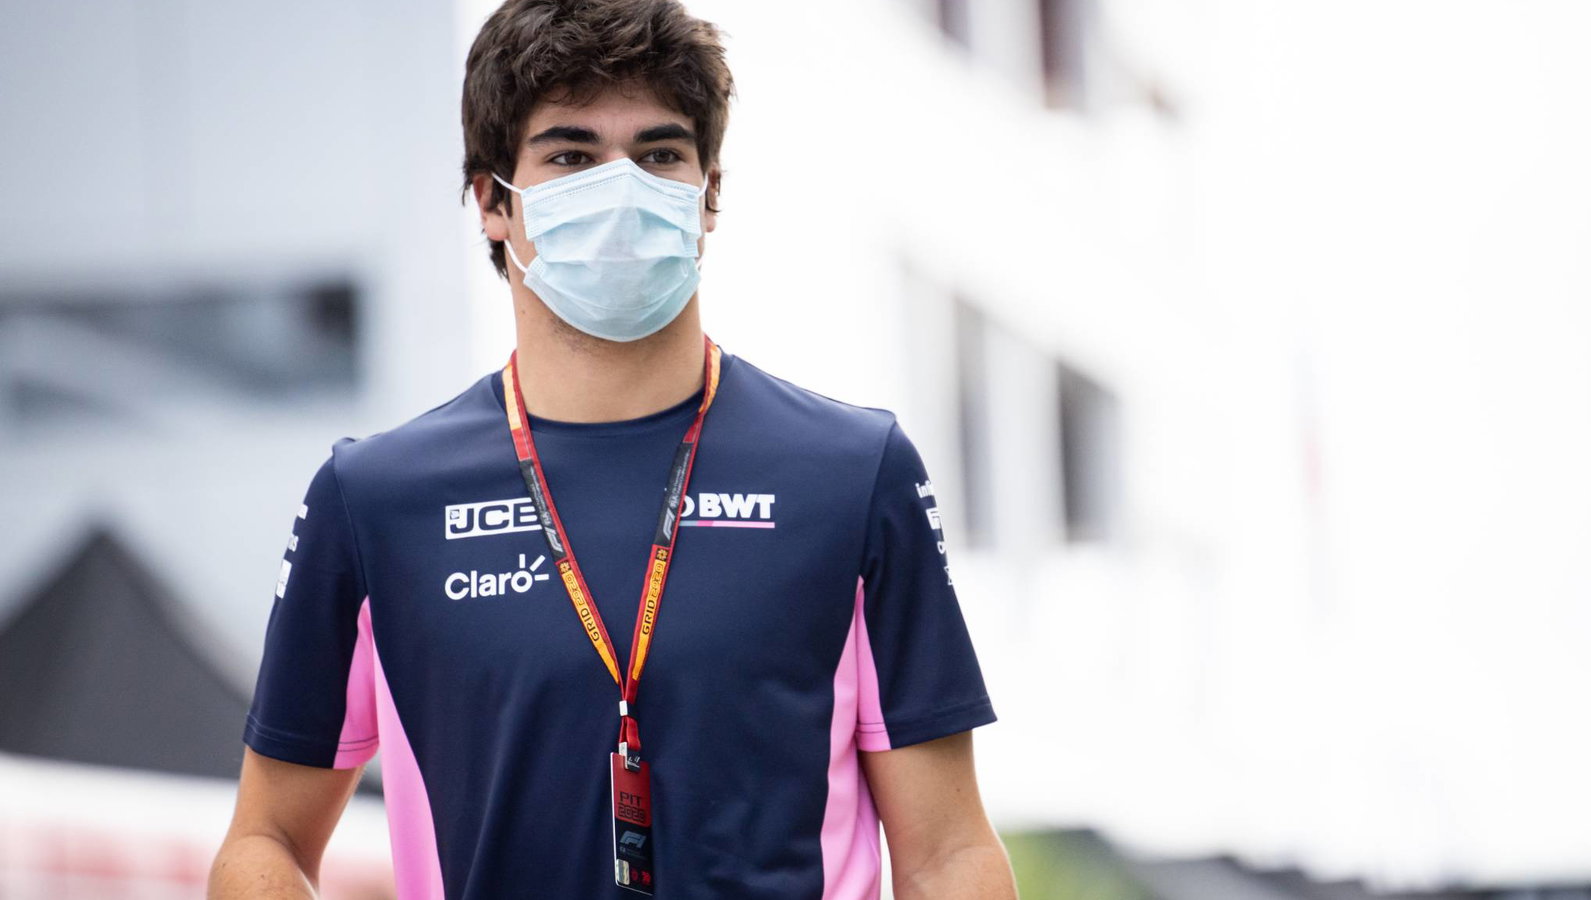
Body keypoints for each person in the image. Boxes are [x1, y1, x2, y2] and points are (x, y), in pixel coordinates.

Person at [208, 1, 1015, 897]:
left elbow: (949, 854)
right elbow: (265, 841)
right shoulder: (375, 498)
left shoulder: (854, 473)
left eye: (660, 154)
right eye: (571, 156)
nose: (622, 189)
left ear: (709, 194)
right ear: (490, 201)